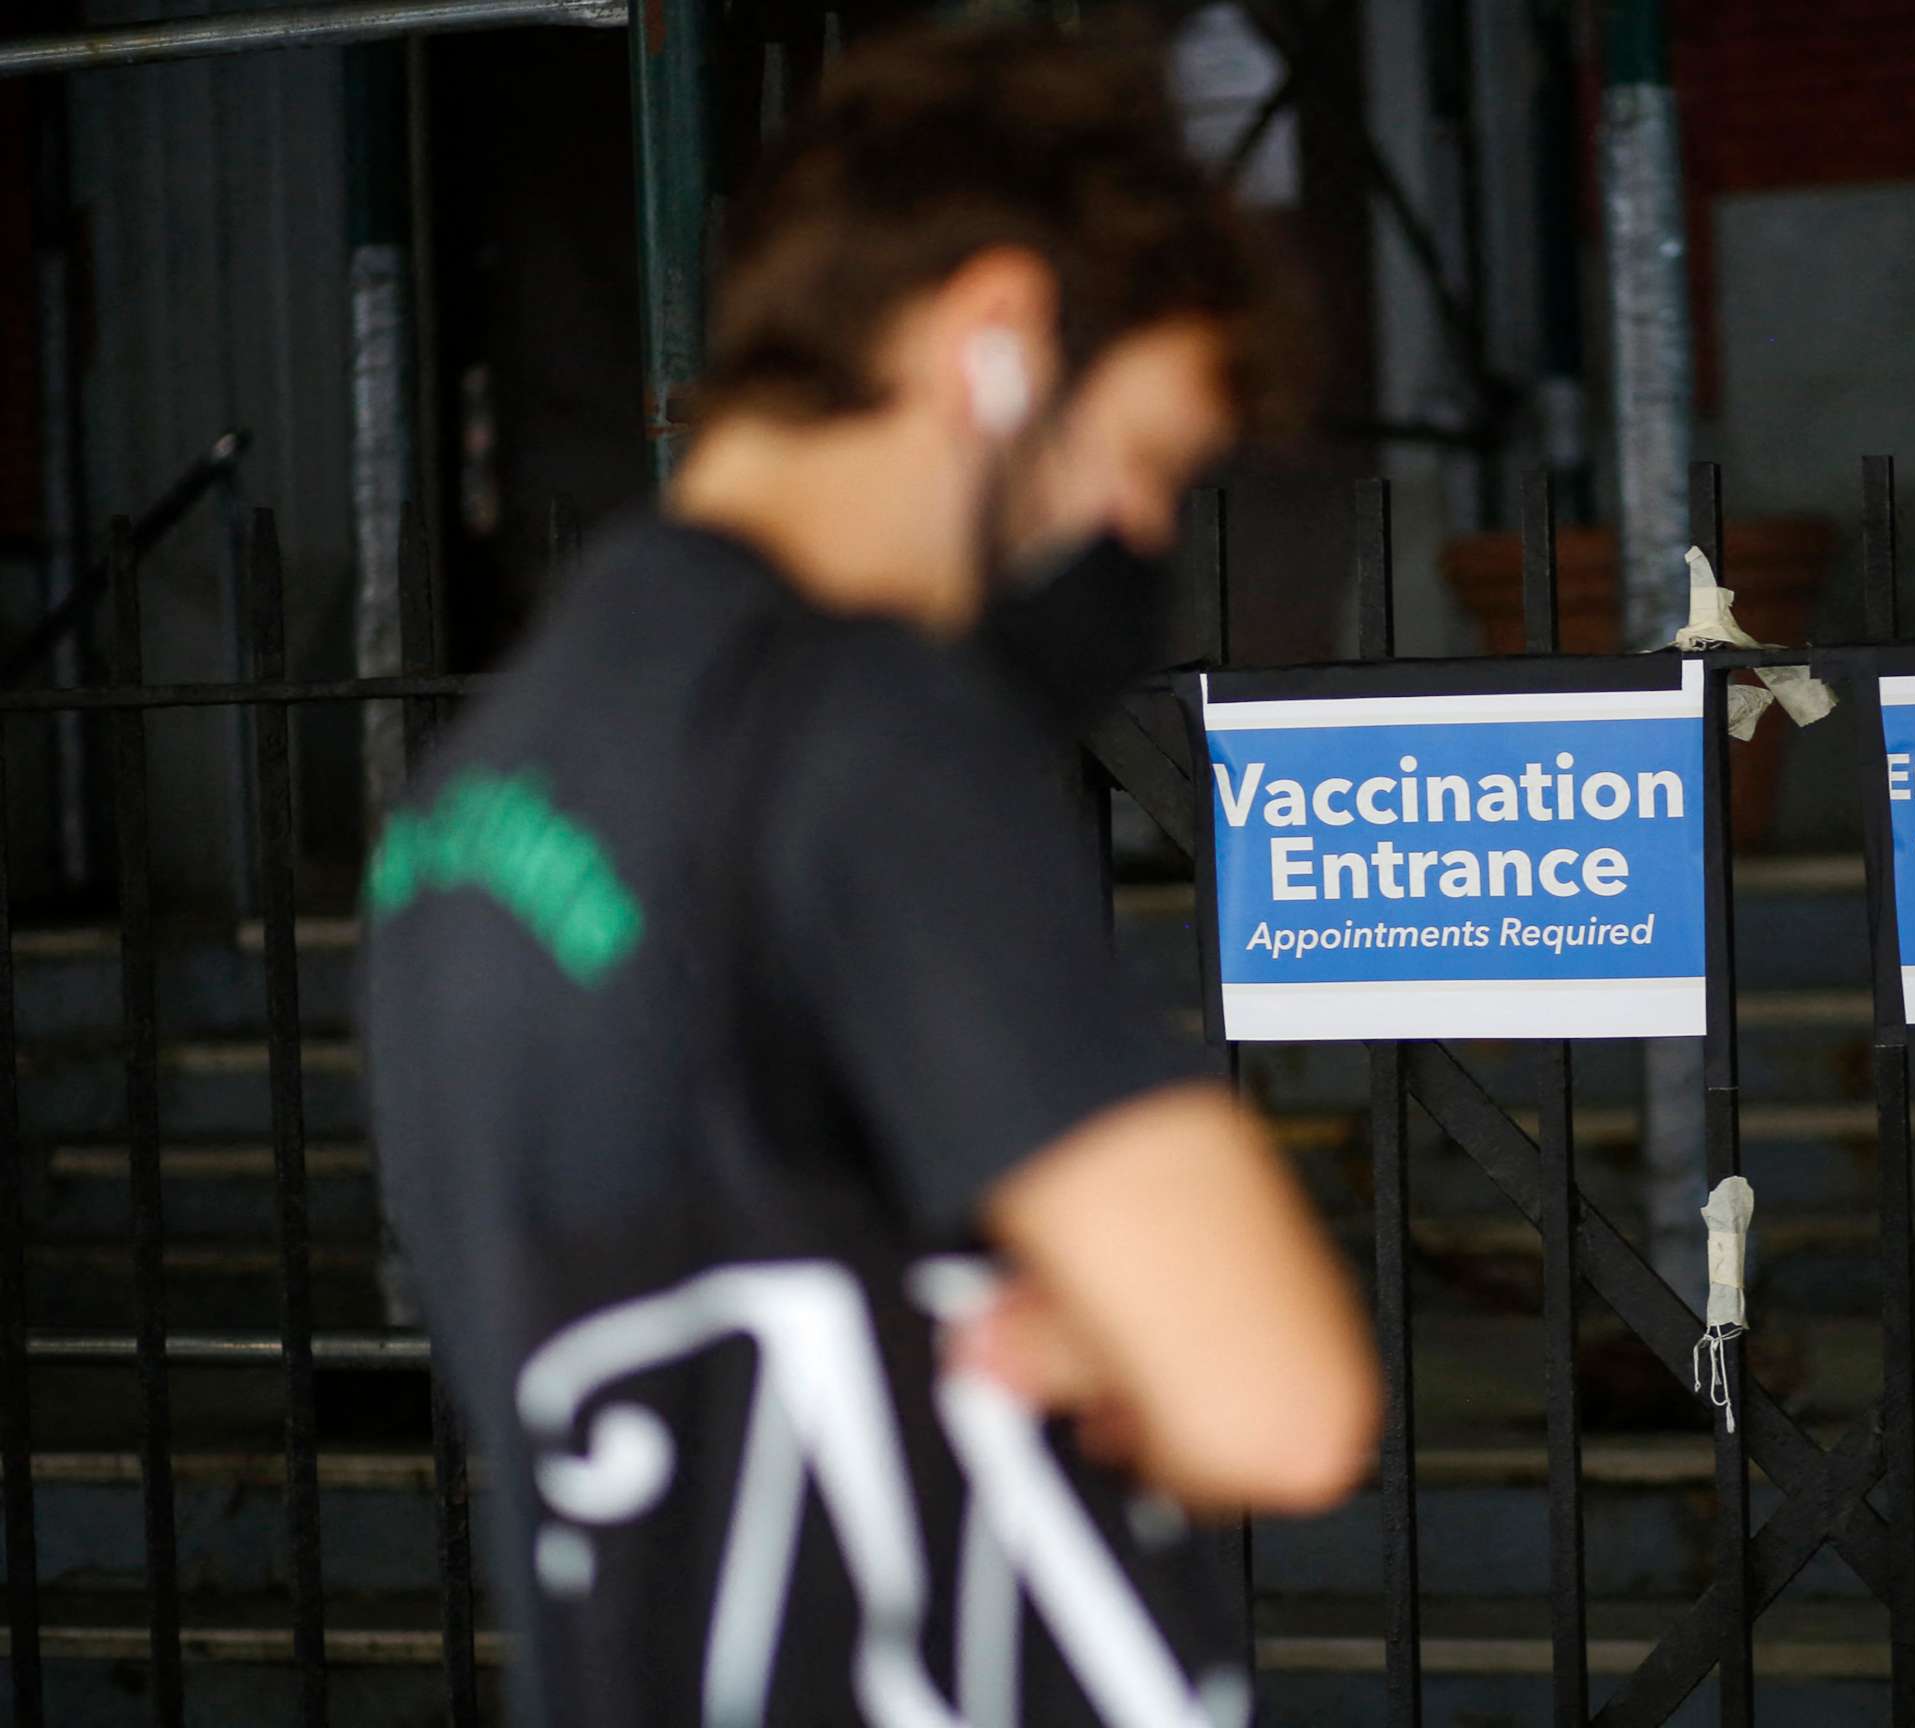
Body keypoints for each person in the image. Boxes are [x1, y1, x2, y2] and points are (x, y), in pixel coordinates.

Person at [361, 21, 1377, 1727]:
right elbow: (1281, 1402)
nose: (1138, 541)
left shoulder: (487, 783)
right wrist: (1116, 1331)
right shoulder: (870, 733)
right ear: (995, 338)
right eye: (1138, 463)